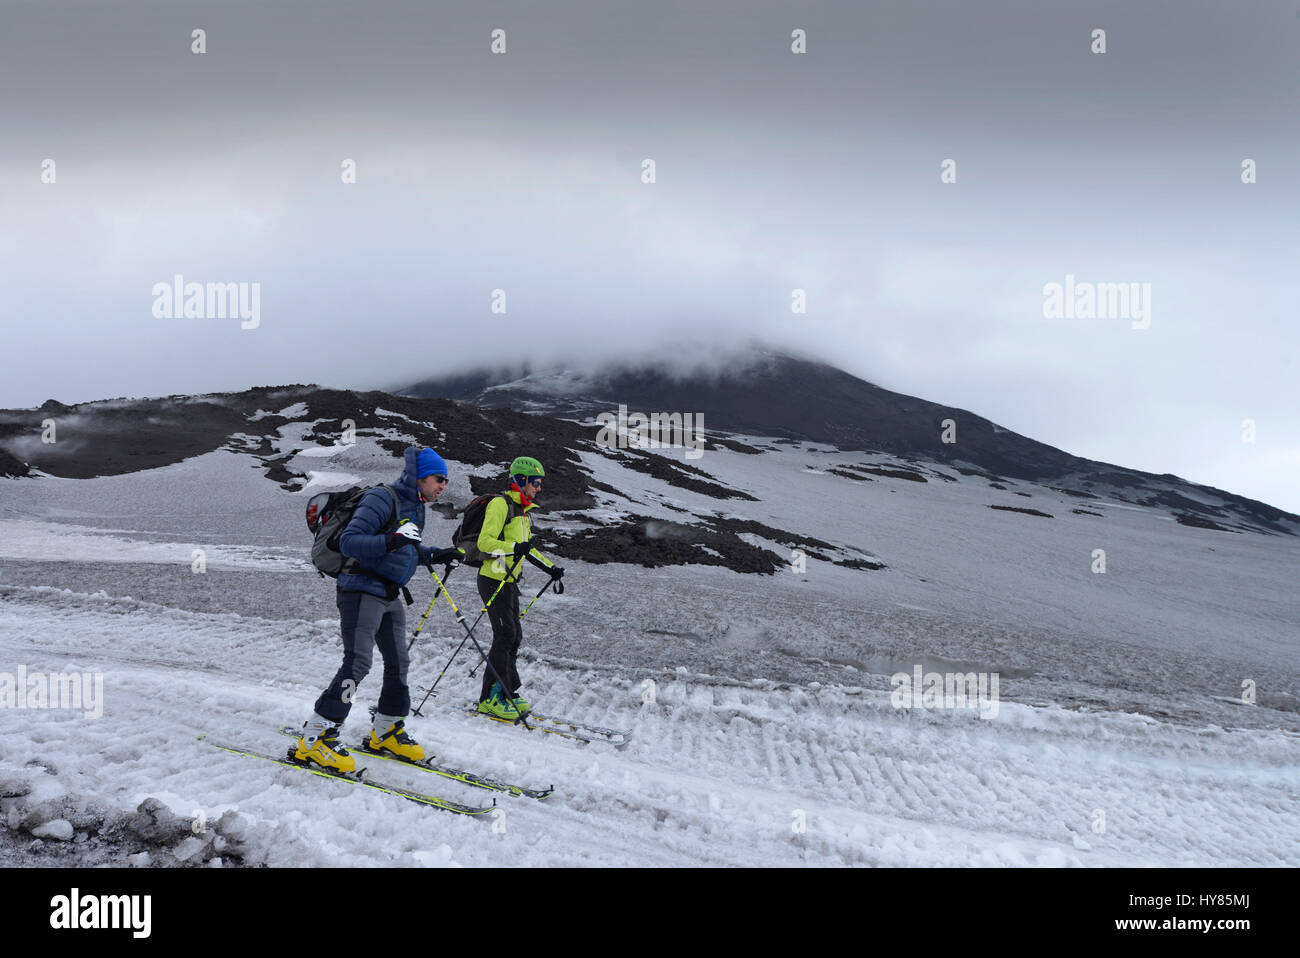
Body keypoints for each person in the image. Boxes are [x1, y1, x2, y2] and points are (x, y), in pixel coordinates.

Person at [296, 445, 460, 772]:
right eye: (438, 478)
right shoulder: (382, 499)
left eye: (445, 480)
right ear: (419, 476)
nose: (443, 485)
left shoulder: (416, 505)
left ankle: (386, 730)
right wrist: (392, 540)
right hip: (360, 590)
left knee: (399, 661)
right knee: (358, 663)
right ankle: (316, 737)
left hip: (389, 594)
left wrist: (436, 554)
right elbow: (351, 542)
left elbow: (403, 548)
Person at [475, 455, 563, 719]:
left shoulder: (523, 512)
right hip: (493, 579)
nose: (539, 488)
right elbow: (485, 543)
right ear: (521, 480)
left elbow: (527, 549)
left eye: (539, 483)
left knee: (514, 636)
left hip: (510, 582)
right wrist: (514, 548)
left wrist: (550, 568)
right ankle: (490, 698)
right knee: (504, 635)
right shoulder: (500, 505)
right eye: (535, 483)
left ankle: (506, 693)